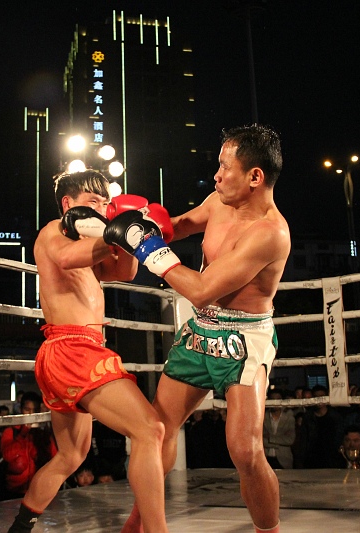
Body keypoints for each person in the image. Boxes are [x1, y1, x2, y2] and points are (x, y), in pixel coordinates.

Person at [106, 124, 289, 533]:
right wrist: (144, 223)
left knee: (245, 451)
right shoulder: (219, 202)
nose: (217, 176)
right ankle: (138, 524)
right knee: (157, 430)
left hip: (244, 339)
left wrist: (147, 248)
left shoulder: (270, 234)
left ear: (255, 177)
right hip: (200, 331)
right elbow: (177, 226)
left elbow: (203, 290)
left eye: (225, 167)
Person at [9, 170, 168, 533]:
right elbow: (67, 258)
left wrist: (133, 235)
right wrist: (118, 232)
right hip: (72, 350)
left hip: (78, 351)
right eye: (92, 201)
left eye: (105, 202)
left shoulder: (92, 246)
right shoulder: (54, 232)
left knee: (71, 455)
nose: (101, 208)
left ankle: (19, 528)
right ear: (68, 204)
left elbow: (124, 273)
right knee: (150, 429)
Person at [0, 391, 57, 499]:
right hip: (14, 493)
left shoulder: (43, 434)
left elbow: (54, 458)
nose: (31, 414)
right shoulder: (11, 432)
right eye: (27, 410)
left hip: (39, 492)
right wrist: (22, 434)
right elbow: (7, 456)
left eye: (35, 410)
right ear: (21, 409)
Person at [262, 389, 295, 469]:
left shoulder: (289, 418)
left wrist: (270, 438)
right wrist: (280, 441)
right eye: (272, 399)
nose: (275, 402)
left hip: (284, 459)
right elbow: (260, 440)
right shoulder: (262, 417)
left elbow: (290, 440)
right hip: (265, 459)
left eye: (278, 399)